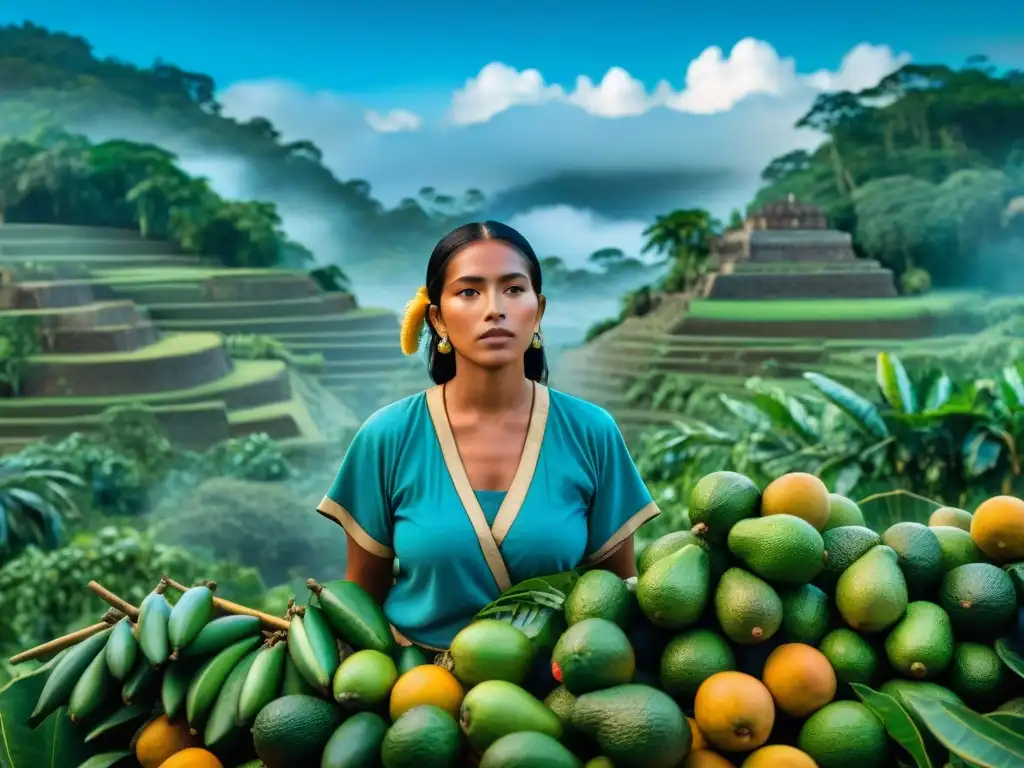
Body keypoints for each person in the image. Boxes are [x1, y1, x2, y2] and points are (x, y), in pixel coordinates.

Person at [317, 221, 660, 654]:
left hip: (554, 695)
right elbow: (360, 609)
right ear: (438, 319)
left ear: (538, 312)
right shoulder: (387, 438)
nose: (494, 308)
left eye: (514, 289)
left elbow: (612, 601)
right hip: (413, 697)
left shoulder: (592, 433)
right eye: (468, 292)